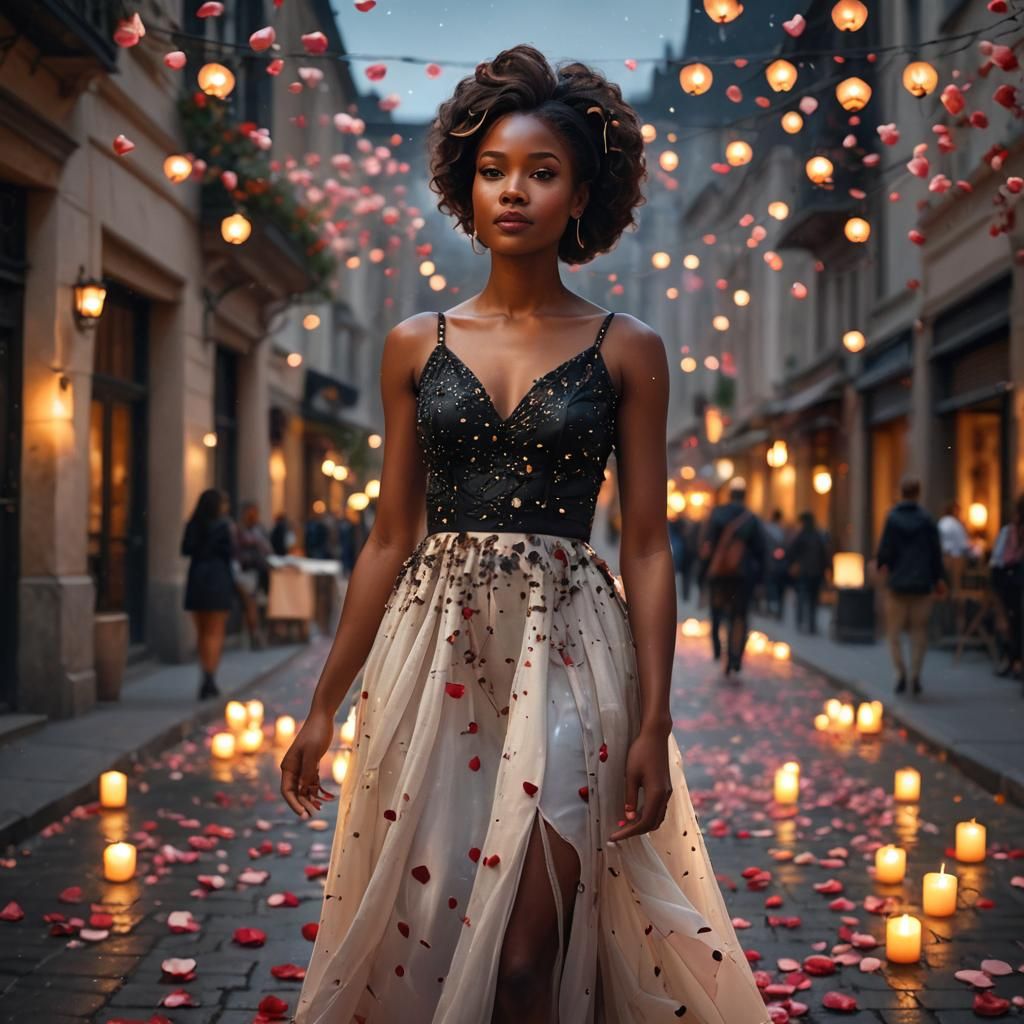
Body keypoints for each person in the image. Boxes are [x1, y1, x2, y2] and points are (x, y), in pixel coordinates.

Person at [282, 44, 768, 1024]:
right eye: (494, 170)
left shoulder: (627, 347)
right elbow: (386, 536)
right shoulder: (414, 343)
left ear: (581, 193)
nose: (514, 191)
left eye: (542, 173)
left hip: (574, 656)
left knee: (523, 959)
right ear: (468, 185)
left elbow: (643, 542)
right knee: (437, 933)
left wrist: (655, 721)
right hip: (434, 662)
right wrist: (324, 704)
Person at [876, 476, 947, 695]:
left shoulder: (893, 518)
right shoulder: (927, 520)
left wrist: (882, 565)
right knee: (919, 632)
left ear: (901, 492)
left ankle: (900, 673)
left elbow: (885, 550)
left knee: (894, 634)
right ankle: (915, 674)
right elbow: (935, 553)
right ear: (918, 493)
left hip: (898, 584)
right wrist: (938, 579)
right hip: (922, 584)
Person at [703, 478, 765, 677]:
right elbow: (760, 550)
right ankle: (735, 656)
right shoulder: (751, 518)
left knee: (718, 612)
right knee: (739, 616)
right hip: (743, 574)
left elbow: (708, 545)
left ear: (730, 495)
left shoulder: (718, 514)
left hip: (721, 574)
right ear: (744, 496)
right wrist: (761, 580)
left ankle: (718, 648)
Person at [180, 489, 235, 700]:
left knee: (202, 631)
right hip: (217, 579)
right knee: (215, 631)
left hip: (197, 578)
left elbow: (186, 549)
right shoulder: (223, 526)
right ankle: (210, 678)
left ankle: (206, 675)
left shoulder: (193, 524)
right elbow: (229, 553)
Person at [990, 495, 1024, 682]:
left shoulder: (1009, 532)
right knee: (1013, 619)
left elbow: (996, 561)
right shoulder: (1010, 533)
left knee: (1014, 619)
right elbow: (997, 563)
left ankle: (1012, 659)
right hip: (1010, 582)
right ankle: (1013, 659)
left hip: (1011, 582)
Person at [786, 511, 830, 634]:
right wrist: (826, 570)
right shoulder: (818, 536)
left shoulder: (802, 535)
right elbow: (824, 555)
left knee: (802, 598)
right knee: (813, 600)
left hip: (804, 572)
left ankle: (800, 623)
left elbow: (791, 551)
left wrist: (794, 564)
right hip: (816, 573)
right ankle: (811, 625)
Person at [235, 500, 271, 650]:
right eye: (251, 513)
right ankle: (254, 633)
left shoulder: (259, 529)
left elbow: (268, 549)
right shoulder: (239, 530)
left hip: (259, 571)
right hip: (245, 572)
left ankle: (256, 633)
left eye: (255, 513)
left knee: (255, 604)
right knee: (251, 604)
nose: (253, 516)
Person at [763, 508, 789, 618]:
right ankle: (777, 608)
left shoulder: (767, 529)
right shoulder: (782, 531)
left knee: (770, 586)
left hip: (769, 563)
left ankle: (771, 606)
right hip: (779, 564)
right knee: (777, 587)